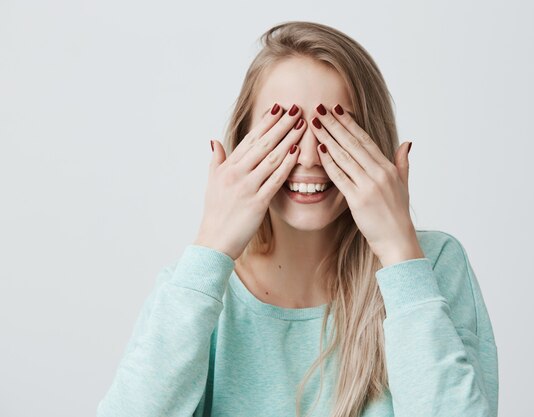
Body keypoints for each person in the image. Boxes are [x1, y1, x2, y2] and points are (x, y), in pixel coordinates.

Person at [97, 20, 499, 417]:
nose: (308, 157)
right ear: (244, 142)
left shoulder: (431, 265)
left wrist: (399, 252)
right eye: (284, 128)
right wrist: (211, 246)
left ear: (371, 141)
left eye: (336, 130)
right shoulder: (194, 289)